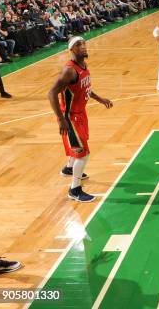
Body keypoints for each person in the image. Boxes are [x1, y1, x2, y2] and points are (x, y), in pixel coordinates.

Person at [47, 37, 113, 202]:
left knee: (79, 149)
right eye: (78, 45)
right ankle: (74, 190)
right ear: (72, 50)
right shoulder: (69, 71)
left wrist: (100, 99)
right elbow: (51, 93)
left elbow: (85, 88)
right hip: (70, 118)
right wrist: (61, 119)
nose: (83, 46)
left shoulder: (83, 66)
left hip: (80, 114)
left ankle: (69, 168)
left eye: (83, 43)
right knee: (83, 154)